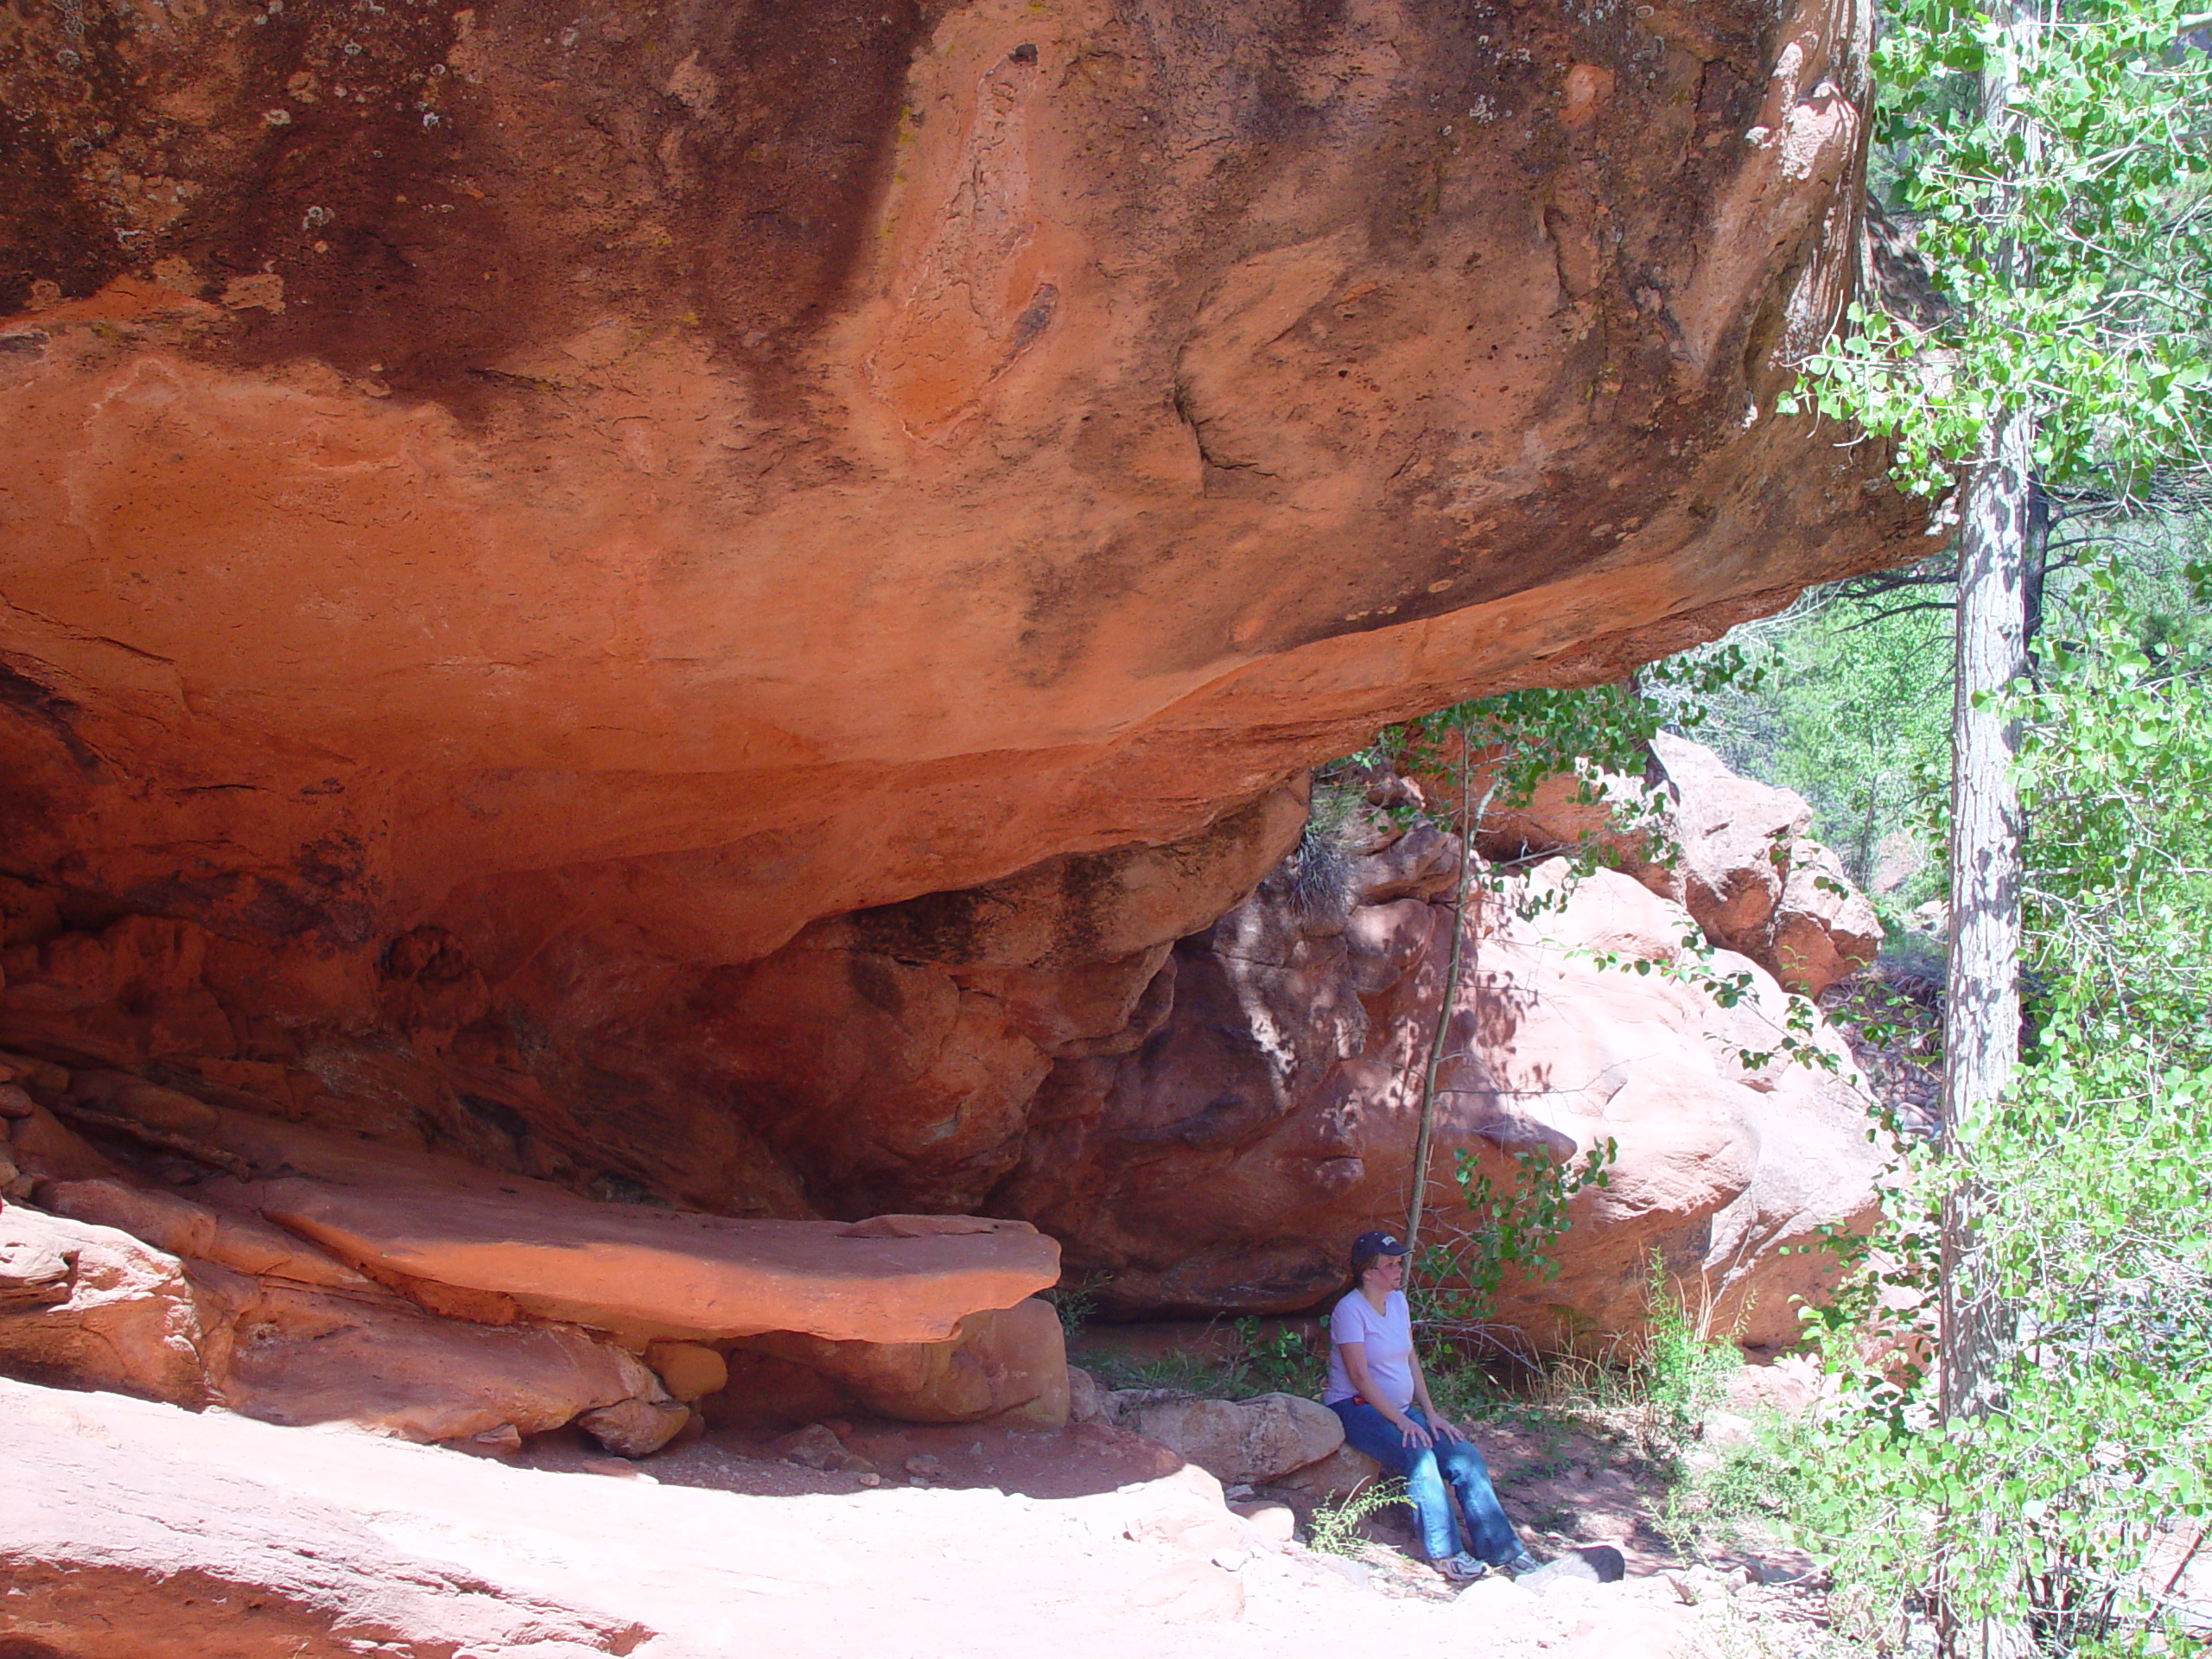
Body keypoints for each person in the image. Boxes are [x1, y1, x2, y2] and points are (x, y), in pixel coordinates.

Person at [1323, 1229, 1541, 1583]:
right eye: (1390, 1264)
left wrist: (1429, 1413)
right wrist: (1403, 1421)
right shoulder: (1349, 1311)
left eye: (1399, 1262)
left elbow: (1410, 1359)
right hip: (1355, 1407)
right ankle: (1446, 1554)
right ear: (1367, 1273)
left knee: (1464, 1455)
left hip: (1399, 1409)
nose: (1398, 1269)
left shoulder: (1397, 1303)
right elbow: (1360, 1377)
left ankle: (1503, 1551)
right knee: (1418, 1457)